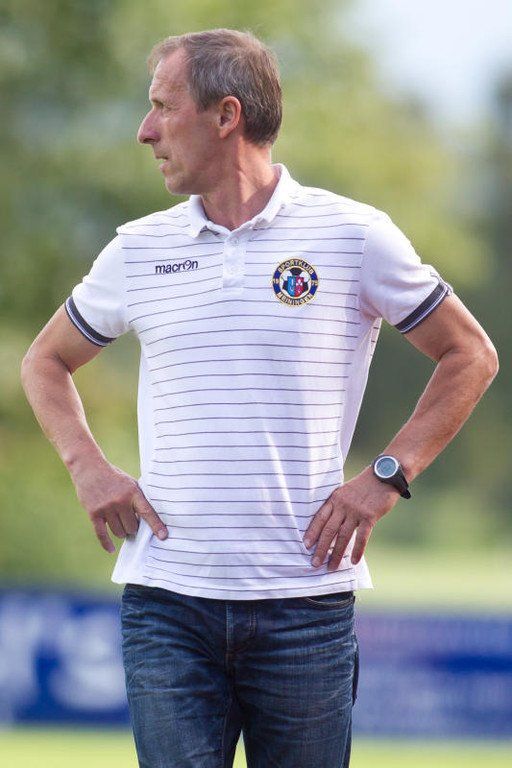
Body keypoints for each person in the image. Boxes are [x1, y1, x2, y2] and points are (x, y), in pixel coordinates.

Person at [21, 28, 498, 768]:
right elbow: (44, 362)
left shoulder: (355, 235)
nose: (144, 130)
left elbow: (471, 355)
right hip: (166, 606)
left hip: (305, 610)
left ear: (226, 115)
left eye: (162, 106)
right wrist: (87, 466)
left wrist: (385, 477)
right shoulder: (137, 250)